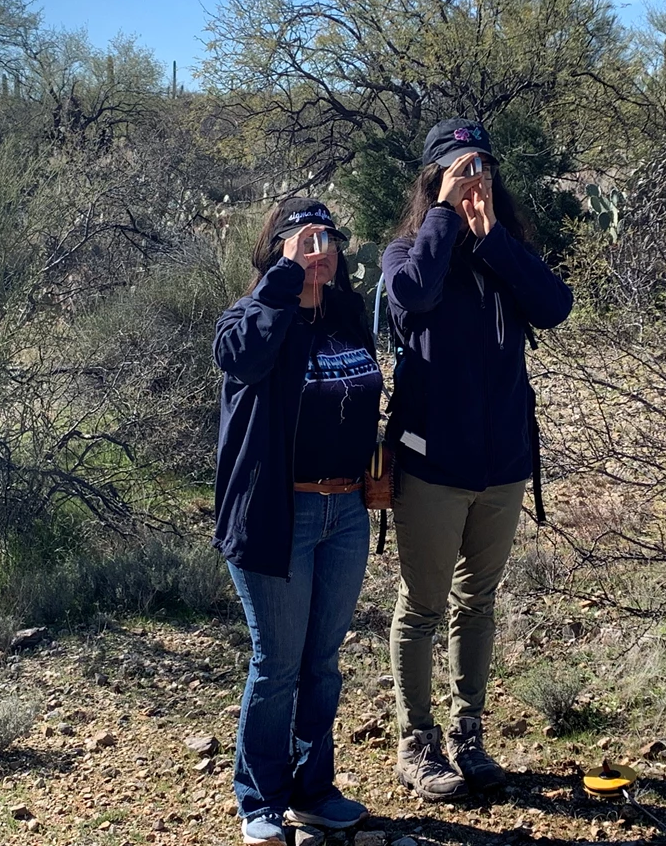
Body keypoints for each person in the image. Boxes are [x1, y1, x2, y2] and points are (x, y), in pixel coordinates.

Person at [382, 118, 573, 800]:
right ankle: (417, 741)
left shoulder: (503, 253)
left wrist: (493, 241)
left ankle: (468, 731)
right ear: (434, 181)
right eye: (460, 170)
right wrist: (443, 217)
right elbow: (413, 296)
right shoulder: (407, 251)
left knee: (478, 602)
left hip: (502, 465)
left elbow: (555, 306)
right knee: (424, 605)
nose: (475, 180)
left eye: (483, 168)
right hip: (433, 465)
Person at [212, 197, 383, 844]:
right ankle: (260, 799)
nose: (322, 251)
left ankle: (313, 790)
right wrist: (283, 280)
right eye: (306, 240)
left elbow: (363, 395)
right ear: (278, 249)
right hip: (278, 514)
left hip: (344, 512)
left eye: (329, 239)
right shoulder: (256, 316)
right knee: (277, 664)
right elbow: (239, 356)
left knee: (323, 662)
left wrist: (376, 461)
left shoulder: (343, 315)